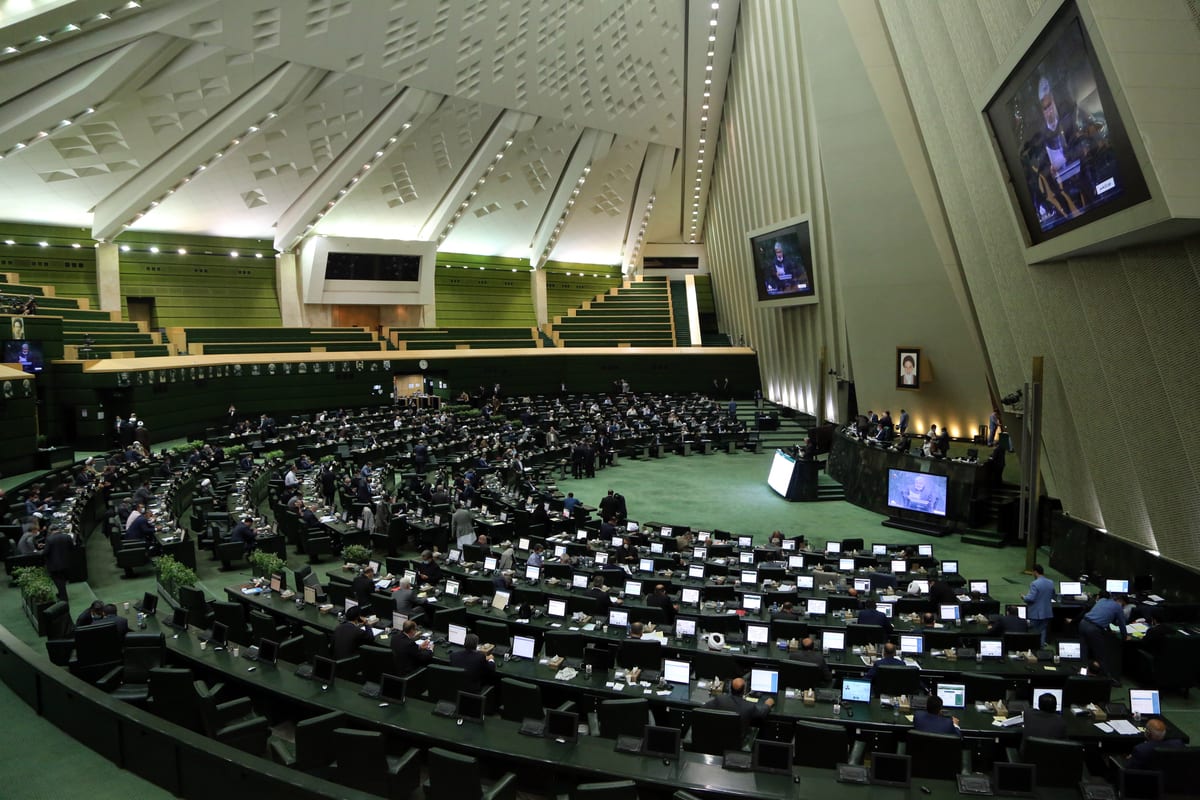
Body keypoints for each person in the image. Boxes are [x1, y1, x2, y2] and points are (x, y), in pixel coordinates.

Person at [1080, 593, 1129, 685]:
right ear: (1120, 601)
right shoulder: (1117, 607)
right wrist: (1125, 637)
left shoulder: (1102, 600)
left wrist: (1108, 629)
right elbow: (1122, 624)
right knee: (1101, 655)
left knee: (1084, 652)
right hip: (1093, 629)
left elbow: (1101, 614)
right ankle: (1108, 679)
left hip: (1083, 624)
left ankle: (1082, 674)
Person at [703, 676, 773, 735]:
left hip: (719, 736)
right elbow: (762, 713)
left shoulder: (720, 699)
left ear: (730, 688)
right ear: (744, 690)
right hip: (738, 741)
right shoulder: (749, 706)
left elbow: (703, 708)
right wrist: (767, 704)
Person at [1023, 564, 1055, 646]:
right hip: (1047, 613)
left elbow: (1031, 598)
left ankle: (1032, 650)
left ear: (1035, 572)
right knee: (1042, 631)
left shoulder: (1034, 583)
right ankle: (1040, 649)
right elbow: (1052, 595)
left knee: (1032, 631)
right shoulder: (1051, 582)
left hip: (1035, 613)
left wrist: (1024, 597)